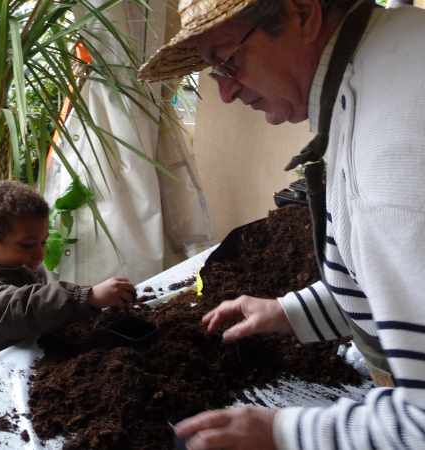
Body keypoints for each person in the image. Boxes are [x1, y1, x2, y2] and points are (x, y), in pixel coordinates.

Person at [139, 0, 425, 448]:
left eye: (227, 62)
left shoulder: (391, 165)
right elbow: (395, 278)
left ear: (304, 15)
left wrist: (285, 433)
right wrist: (288, 312)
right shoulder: (398, 46)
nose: (227, 93)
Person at [0, 181, 136, 373]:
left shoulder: (12, 261)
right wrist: (86, 296)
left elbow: (39, 302)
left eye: (43, 242)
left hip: (23, 354)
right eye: (27, 245)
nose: (40, 255)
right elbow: (17, 308)